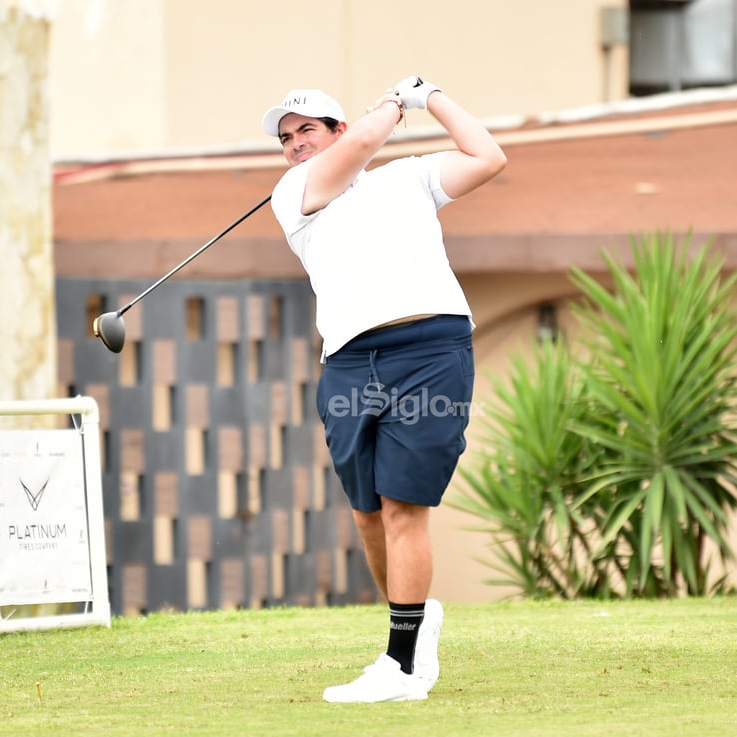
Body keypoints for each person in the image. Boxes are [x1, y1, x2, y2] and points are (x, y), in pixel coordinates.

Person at [261, 76, 506, 703]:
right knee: (367, 511)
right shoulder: (294, 191)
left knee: (402, 505)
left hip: (430, 352)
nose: (293, 145)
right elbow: (367, 138)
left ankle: (400, 666)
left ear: (336, 129)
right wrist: (396, 103)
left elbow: (487, 157)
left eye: (306, 131)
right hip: (348, 362)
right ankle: (414, 624)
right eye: (285, 138)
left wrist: (433, 97)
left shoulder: (409, 178)